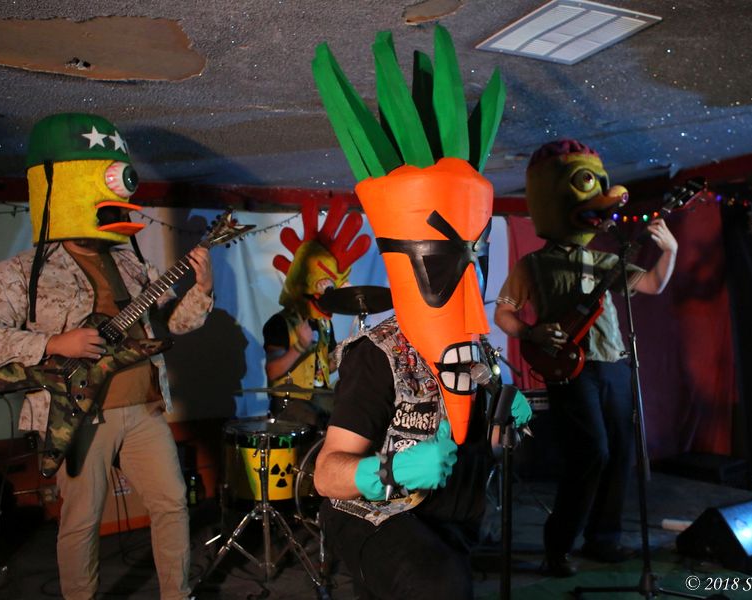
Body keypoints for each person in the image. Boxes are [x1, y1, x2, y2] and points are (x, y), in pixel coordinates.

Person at [310, 26, 531, 598]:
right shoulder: (376, 355)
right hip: (376, 514)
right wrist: (384, 471)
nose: (470, 292)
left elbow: (487, 442)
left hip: (452, 515)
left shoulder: (480, 351)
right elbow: (326, 473)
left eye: (476, 263)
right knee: (437, 584)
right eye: (447, 265)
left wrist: (506, 415)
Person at [0, 113, 213, 600]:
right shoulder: (21, 271)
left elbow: (173, 325)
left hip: (143, 409)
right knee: (81, 521)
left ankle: (177, 594)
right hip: (76, 416)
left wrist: (202, 288)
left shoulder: (131, 261)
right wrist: (53, 344)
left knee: (172, 504)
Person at [494, 139, 678, 577]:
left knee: (620, 451)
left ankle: (604, 540)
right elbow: (504, 313)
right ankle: (558, 546)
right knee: (591, 452)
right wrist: (532, 332)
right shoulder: (532, 265)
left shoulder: (605, 260)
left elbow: (653, 284)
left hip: (612, 363)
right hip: (569, 370)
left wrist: (670, 250)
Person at [262, 198, 370, 428]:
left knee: (356, 415)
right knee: (318, 422)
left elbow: (326, 367)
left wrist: (347, 352)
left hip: (321, 397)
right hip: (290, 402)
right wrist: (300, 346)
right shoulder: (279, 323)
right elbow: (272, 371)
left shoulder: (323, 324)